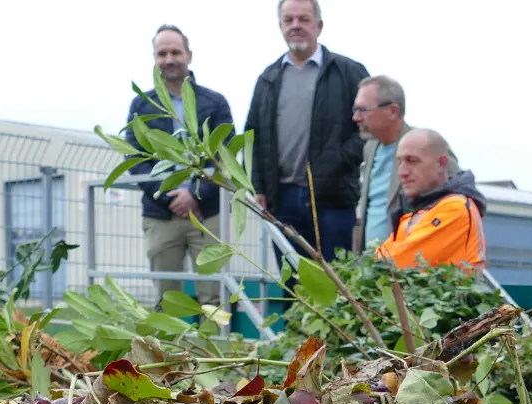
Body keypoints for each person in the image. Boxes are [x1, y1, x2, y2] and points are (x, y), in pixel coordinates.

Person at [246, 0, 368, 263]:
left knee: (338, 284)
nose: (296, 26)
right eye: (288, 20)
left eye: (303, 19)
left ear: (319, 25)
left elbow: (369, 127)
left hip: (333, 198)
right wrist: (257, 186)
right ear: (280, 26)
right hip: (283, 199)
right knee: (294, 288)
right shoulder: (267, 79)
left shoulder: (348, 72)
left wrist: (339, 160)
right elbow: (251, 138)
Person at [125, 25, 234, 302]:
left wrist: (194, 194)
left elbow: (226, 155)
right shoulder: (142, 106)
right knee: (166, 300)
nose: (169, 59)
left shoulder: (215, 102)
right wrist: (169, 195)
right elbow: (135, 158)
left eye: (175, 51)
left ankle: (215, 345)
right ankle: (166, 348)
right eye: (162, 53)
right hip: (161, 215)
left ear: (189, 55)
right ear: (154, 58)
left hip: (208, 212)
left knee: (213, 299)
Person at [351, 75, 459, 251]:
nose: (356, 117)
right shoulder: (369, 148)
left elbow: (460, 193)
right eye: (355, 109)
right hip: (373, 267)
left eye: (363, 110)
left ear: (393, 111)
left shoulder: (424, 145)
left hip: (408, 266)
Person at [376, 129, 486, 271]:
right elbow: (380, 259)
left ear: (441, 163)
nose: (402, 172)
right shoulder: (414, 213)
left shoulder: (455, 209)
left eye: (412, 161)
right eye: (400, 162)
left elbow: (396, 265)